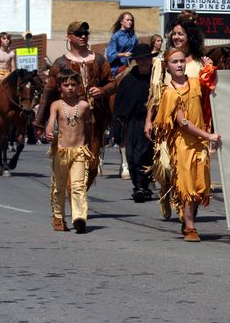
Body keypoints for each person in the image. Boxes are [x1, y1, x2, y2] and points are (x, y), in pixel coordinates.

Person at [33, 21, 116, 189]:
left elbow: (112, 83)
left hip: (94, 121)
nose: (83, 36)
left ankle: (78, 194)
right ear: (69, 37)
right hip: (69, 122)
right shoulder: (60, 63)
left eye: (86, 33)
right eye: (79, 33)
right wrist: (40, 122)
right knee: (70, 163)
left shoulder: (99, 60)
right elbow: (48, 93)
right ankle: (74, 197)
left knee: (92, 166)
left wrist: (101, 90)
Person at [151, 47, 221, 242]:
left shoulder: (194, 83)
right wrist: (207, 135)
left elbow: (210, 86)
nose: (179, 65)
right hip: (184, 144)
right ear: (167, 67)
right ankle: (190, 227)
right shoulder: (170, 93)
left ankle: (187, 218)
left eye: (182, 61)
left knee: (201, 185)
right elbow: (183, 123)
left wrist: (209, 66)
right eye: (175, 62)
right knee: (188, 184)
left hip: (201, 143)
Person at [145, 11, 208, 220]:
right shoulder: (161, 62)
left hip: (193, 122)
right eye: (174, 34)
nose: (176, 38)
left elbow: (208, 94)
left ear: (190, 36)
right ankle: (165, 189)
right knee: (165, 166)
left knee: (188, 168)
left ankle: (185, 209)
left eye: (181, 34)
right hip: (167, 121)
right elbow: (154, 94)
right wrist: (149, 120)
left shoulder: (200, 63)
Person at [45, 69, 92, 234]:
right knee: (59, 186)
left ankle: (79, 218)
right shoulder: (56, 105)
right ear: (60, 87)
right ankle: (58, 217)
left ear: (78, 86)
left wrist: (91, 145)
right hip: (61, 151)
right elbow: (51, 122)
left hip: (79, 151)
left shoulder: (84, 106)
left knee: (78, 185)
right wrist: (49, 131)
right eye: (66, 85)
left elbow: (88, 127)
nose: (70, 88)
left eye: (73, 84)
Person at [114, 44, 157, 203]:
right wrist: (117, 127)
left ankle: (144, 185)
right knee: (133, 155)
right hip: (134, 121)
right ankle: (138, 185)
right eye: (140, 59)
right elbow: (119, 104)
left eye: (146, 58)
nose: (144, 61)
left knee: (148, 153)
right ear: (136, 61)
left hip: (155, 121)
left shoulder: (157, 78)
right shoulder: (128, 80)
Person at [106, 12, 139, 76]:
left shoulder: (133, 36)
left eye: (131, 20)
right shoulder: (116, 36)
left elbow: (137, 49)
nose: (130, 22)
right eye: (127, 20)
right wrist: (123, 54)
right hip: (118, 67)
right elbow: (110, 54)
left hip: (132, 64)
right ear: (121, 22)